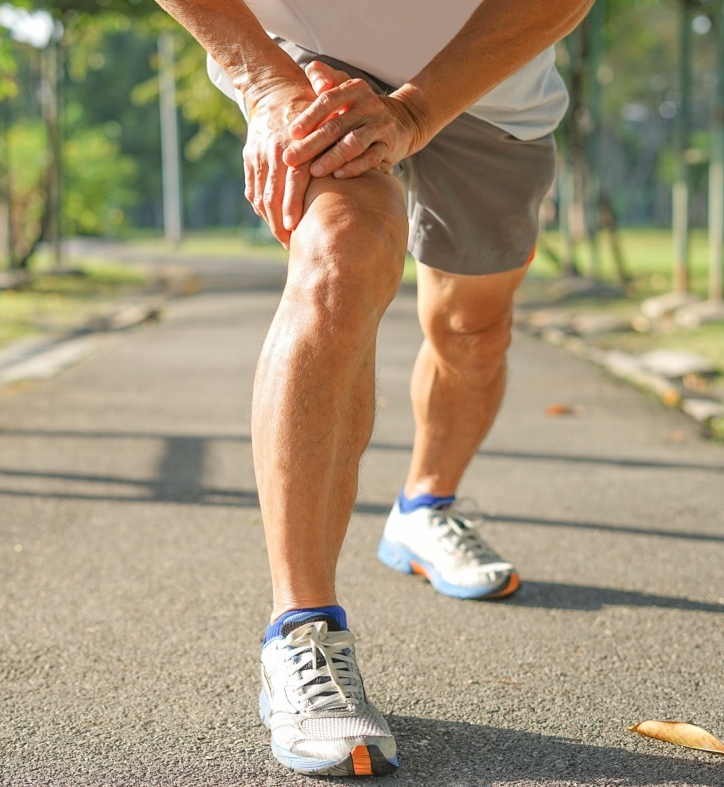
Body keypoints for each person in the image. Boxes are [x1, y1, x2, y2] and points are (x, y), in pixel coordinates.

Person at [150, 0, 593, 776]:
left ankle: (425, 508)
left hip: (489, 79)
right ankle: (302, 630)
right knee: (341, 257)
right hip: (309, 55)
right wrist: (264, 83)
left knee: (472, 329)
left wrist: (416, 112)